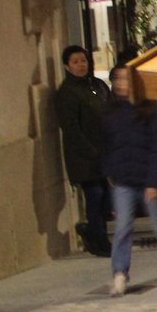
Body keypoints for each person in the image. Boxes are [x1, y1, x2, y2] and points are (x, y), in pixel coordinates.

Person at [102, 64, 157, 296]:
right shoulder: (110, 112)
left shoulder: (151, 111)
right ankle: (119, 274)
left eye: (126, 79)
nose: (121, 84)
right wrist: (110, 172)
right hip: (123, 180)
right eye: (117, 79)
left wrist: (154, 182)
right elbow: (107, 146)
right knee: (123, 228)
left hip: (149, 180)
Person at [52, 46, 112, 257]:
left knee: (107, 198)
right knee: (95, 196)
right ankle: (100, 240)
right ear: (67, 66)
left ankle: (90, 232)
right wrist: (90, 150)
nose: (81, 65)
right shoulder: (67, 93)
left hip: (104, 152)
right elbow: (71, 127)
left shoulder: (97, 85)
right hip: (86, 157)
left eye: (83, 60)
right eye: (75, 62)